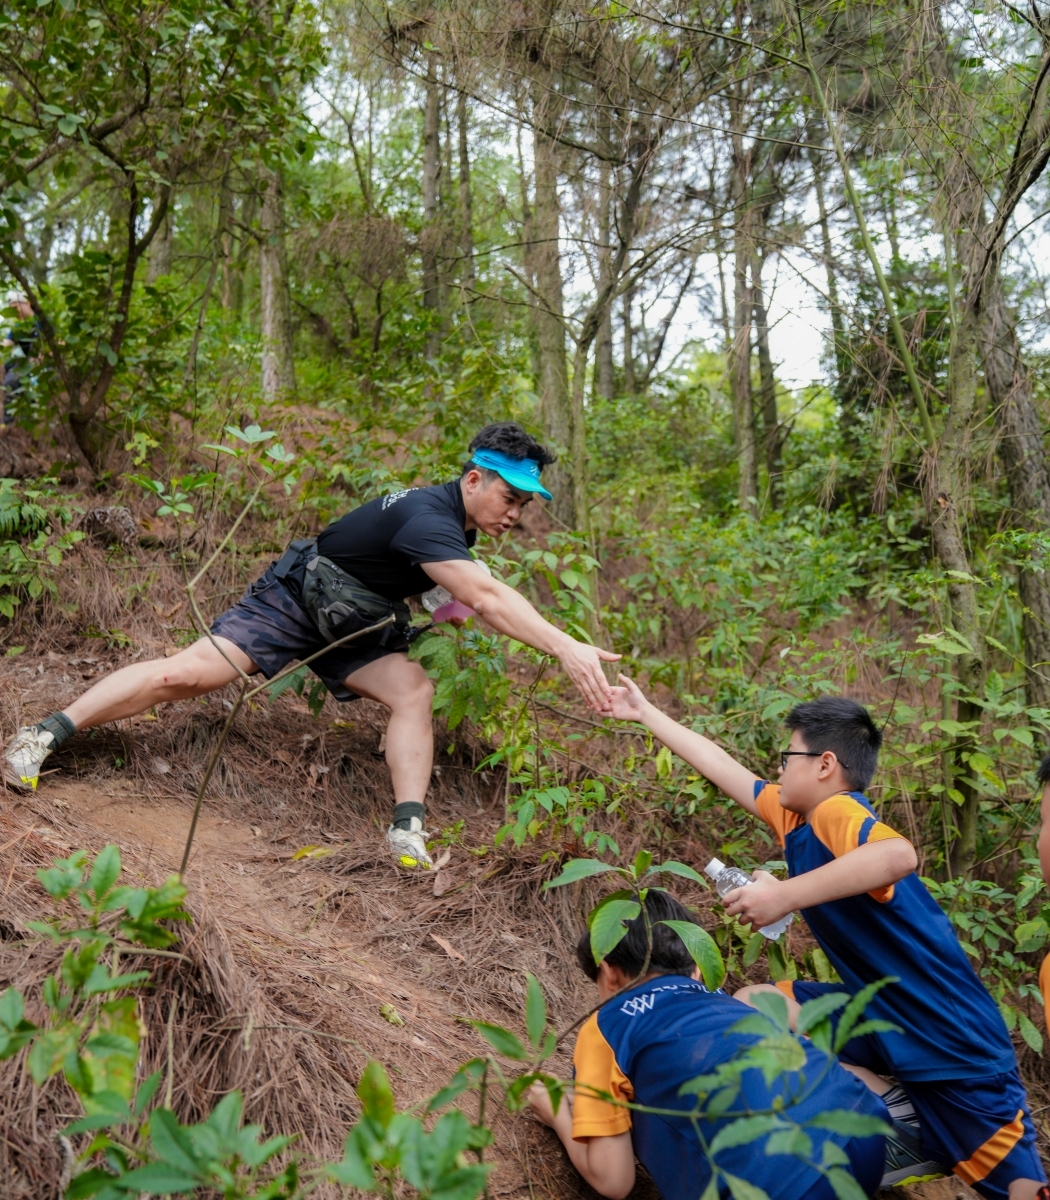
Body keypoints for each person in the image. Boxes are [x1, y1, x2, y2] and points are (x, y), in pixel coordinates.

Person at [3, 423, 619, 869]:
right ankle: (45, 734)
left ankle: (407, 831)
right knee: (188, 675)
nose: (516, 513)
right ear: (474, 478)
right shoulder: (430, 517)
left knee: (414, 691)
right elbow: (486, 597)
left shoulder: (455, 527)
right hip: (298, 598)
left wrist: (443, 606)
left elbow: (452, 591)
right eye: (510, 498)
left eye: (525, 503)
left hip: (356, 619)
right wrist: (565, 646)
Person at [600, 678, 1048, 1200]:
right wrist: (646, 711)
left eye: (787, 756)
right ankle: (890, 1116)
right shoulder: (795, 818)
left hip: (948, 1038)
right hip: (881, 1017)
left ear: (825, 765)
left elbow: (897, 856)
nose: (778, 768)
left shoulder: (839, 810)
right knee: (758, 1005)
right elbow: (725, 769)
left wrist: (785, 895)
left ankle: (911, 1124)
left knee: (1021, 1188)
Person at [527, 889, 893, 1199]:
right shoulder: (721, 1000)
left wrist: (555, 1113)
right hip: (863, 1126)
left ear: (608, 973)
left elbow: (614, 1180)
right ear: (696, 969)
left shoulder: (605, 1027)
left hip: (773, 1177)